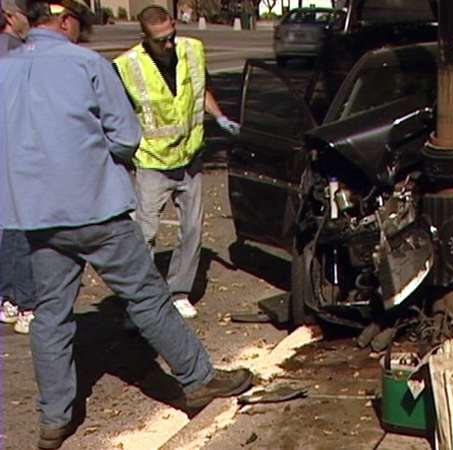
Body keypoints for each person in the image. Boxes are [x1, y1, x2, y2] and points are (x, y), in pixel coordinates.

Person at [0, 1, 252, 448]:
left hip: (38, 216)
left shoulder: (5, 70)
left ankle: (53, 418)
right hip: (96, 208)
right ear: (66, 21)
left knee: (51, 317)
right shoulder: (85, 64)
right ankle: (197, 379)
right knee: (147, 297)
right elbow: (126, 136)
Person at [114, 5, 240, 319]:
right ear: (145, 38)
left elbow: (200, 92)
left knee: (192, 229)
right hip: (153, 162)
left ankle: (178, 292)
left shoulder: (192, 50)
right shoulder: (128, 66)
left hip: (191, 157)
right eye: (160, 40)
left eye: (171, 36)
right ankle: (141, 302)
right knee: (144, 234)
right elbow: (117, 114)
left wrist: (220, 116)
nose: (169, 44)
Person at [0, 0, 36, 334]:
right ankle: (25, 302)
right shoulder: (15, 53)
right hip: (15, 153)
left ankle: (10, 298)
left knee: (9, 228)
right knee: (20, 230)